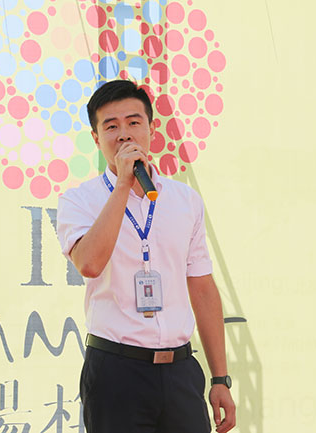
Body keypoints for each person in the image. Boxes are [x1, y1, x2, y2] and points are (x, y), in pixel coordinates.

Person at [57, 80, 236, 433]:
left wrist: (220, 378)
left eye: (134, 122)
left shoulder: (185, 200)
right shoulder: (79, 201)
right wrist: (123, 184)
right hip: (116, 371)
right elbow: (89, 264)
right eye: (111, 126)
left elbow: (202, 288)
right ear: (96, 138)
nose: (124, 133)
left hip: (180, 370)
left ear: (152, 129)